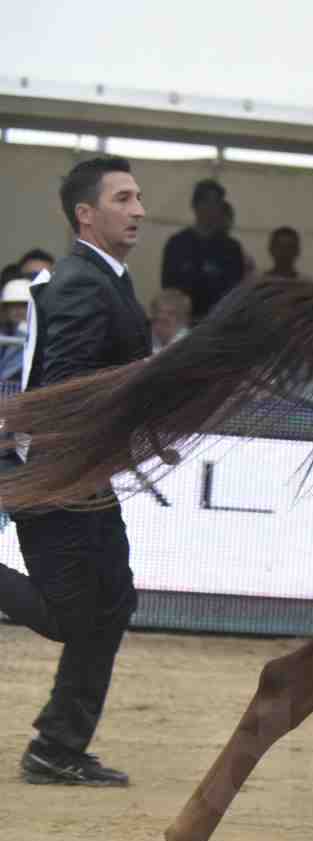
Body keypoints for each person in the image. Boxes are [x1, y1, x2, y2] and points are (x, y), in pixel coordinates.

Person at [0, 155, 155, 786]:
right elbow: (65, 381)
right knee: (72, 616)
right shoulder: (84, 284)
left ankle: (57, 747)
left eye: (139, 197)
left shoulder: (104, 277)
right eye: (123, 198)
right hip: (61, 471)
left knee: (113, 601)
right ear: (85, 214)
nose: (139, 209)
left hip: (81, 471)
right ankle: (57, 747)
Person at [160, 178, 245, 321]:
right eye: (206, 202)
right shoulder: (177, 244)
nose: (211, 208)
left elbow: (235, 292)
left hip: (217, 326)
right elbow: (168, 287)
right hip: (181, 323)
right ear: (194, 205)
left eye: (216, 203)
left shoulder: (231, 249)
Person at [1, 278, 29, 384]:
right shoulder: (4, 333)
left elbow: (7, 374)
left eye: (23, 305)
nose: (18, 310)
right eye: (13, 305)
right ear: (5, 308)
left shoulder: (37, 336)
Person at [149, 288, 193, 353]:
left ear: (182, 323)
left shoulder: (185, 343)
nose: (157, 327)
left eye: (165, 322)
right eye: (155, 320)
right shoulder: (153, 338)